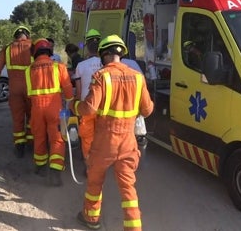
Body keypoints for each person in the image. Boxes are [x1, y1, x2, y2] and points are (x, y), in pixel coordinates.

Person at [69, 34, 154, 230]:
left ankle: (91, 219)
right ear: (121, 54)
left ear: (103, 55)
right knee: (127, 188)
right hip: (128, 142)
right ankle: (133, 227)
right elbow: (148, 110)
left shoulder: (102, 76)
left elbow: (89, 108)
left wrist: (75, 105)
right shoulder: (138, 77)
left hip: (105, 140)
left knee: (95, 181)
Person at [25, 38, 74, 186]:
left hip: (37, 108)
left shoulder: (29, 70)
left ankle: (40, 167)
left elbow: (29, 94)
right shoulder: (58, 66)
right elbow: (68, 90)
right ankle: (55, 172)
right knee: (57, 139)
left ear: (35, 52)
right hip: (56, 108)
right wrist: (70, 104)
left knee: (39, 136)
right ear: (49, 51)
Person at [0, 25, 33, 159]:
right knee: (32, 116)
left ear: (15, 36)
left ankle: (19, 146)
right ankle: (32, 144)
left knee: (18, 118)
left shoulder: (7, 49)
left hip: (14, 89)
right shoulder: (33, 47)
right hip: (31, 88)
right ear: (27, 35)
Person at [73, 29, 102, 168]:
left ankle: (89, 164)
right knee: (102, 136)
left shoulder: (81, 66)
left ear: (87, 46)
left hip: (87, 106)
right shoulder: (106, 64)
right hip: (104, 107)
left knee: (87, 137)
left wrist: (74, 105)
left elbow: (78, 92)